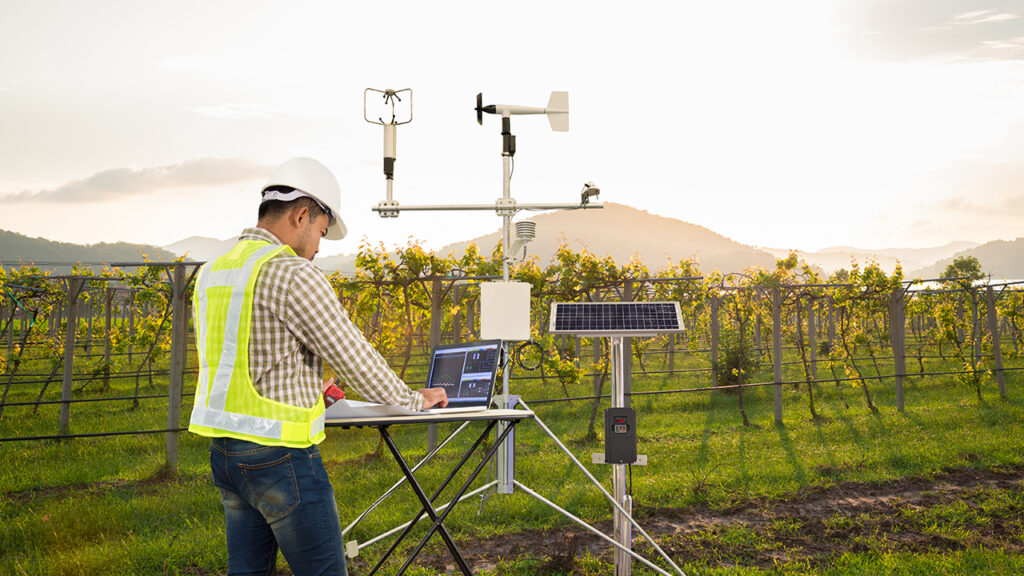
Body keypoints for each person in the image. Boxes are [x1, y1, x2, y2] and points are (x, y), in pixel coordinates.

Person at [188, 157, 448, 576]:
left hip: (225, 455)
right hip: (280, 457)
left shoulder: (213, 271)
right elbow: (355, 356)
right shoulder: (292, 273)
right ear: (302, 214)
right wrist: (412, 399)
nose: (319, 247)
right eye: (322, 232)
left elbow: (242, 358)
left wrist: (307, 388)